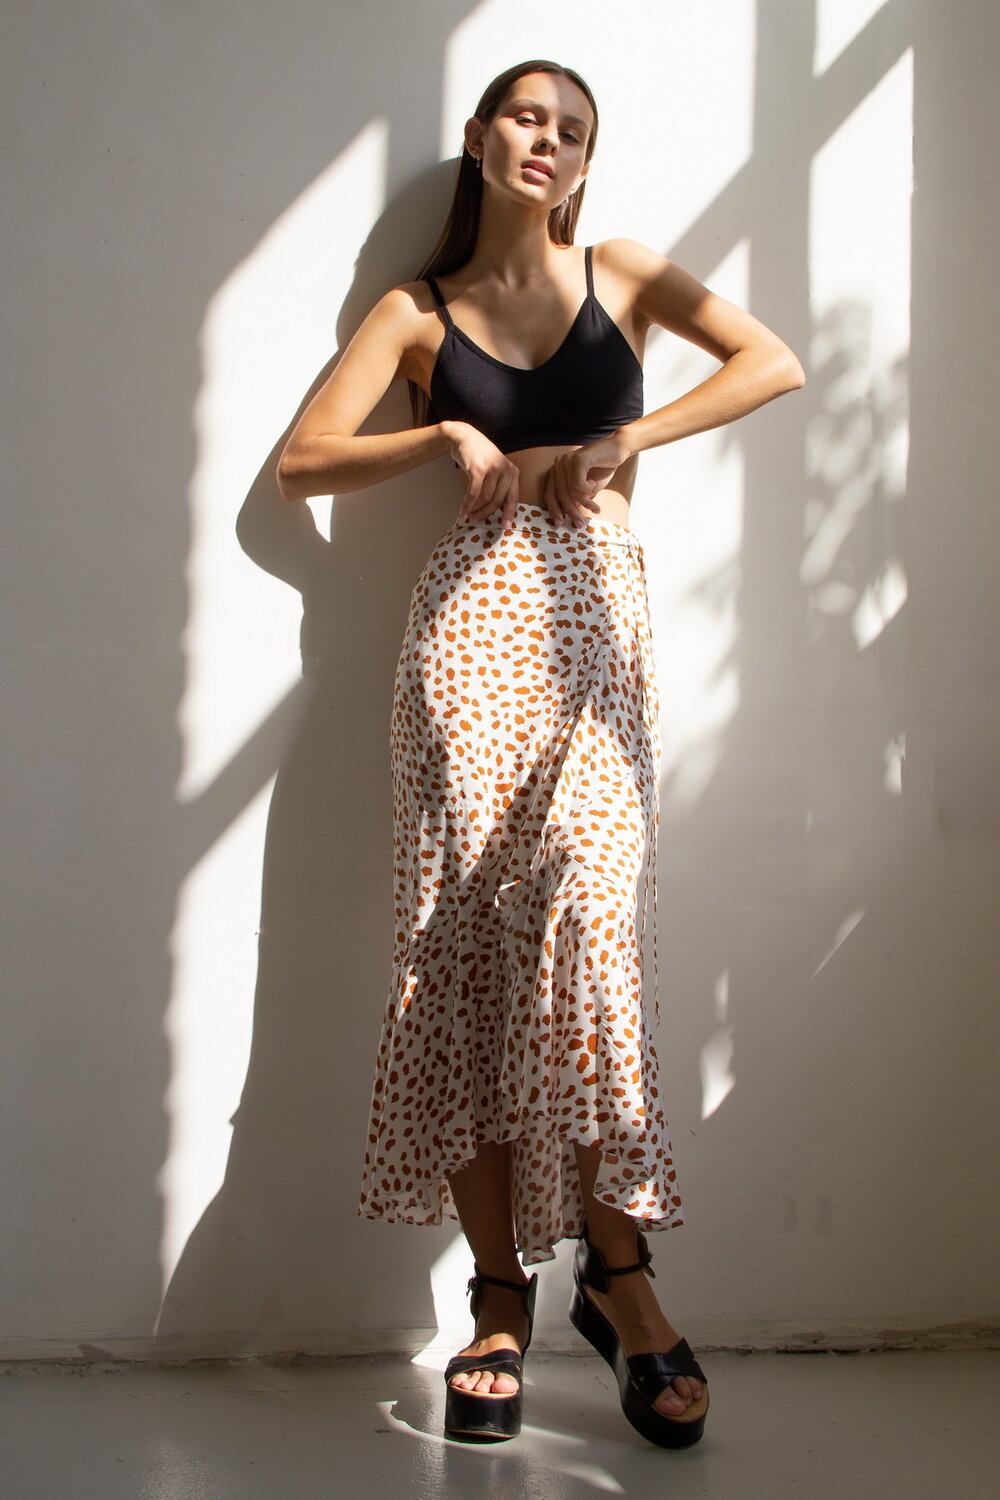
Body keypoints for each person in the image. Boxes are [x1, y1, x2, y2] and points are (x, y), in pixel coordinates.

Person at [277, 59, 804, 1447]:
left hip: (594, 638)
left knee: (589, 933)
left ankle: (619, 1277)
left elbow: (772, 360)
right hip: (463, 645)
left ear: (584, 161)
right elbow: (302, 462)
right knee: (461, 956)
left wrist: (630, 434)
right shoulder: (418, 312)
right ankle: (501, 1297)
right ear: (479, 137)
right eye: (525, 117)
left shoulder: (622, 272)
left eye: (572, 131)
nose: (547, 142)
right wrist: (437, 433)